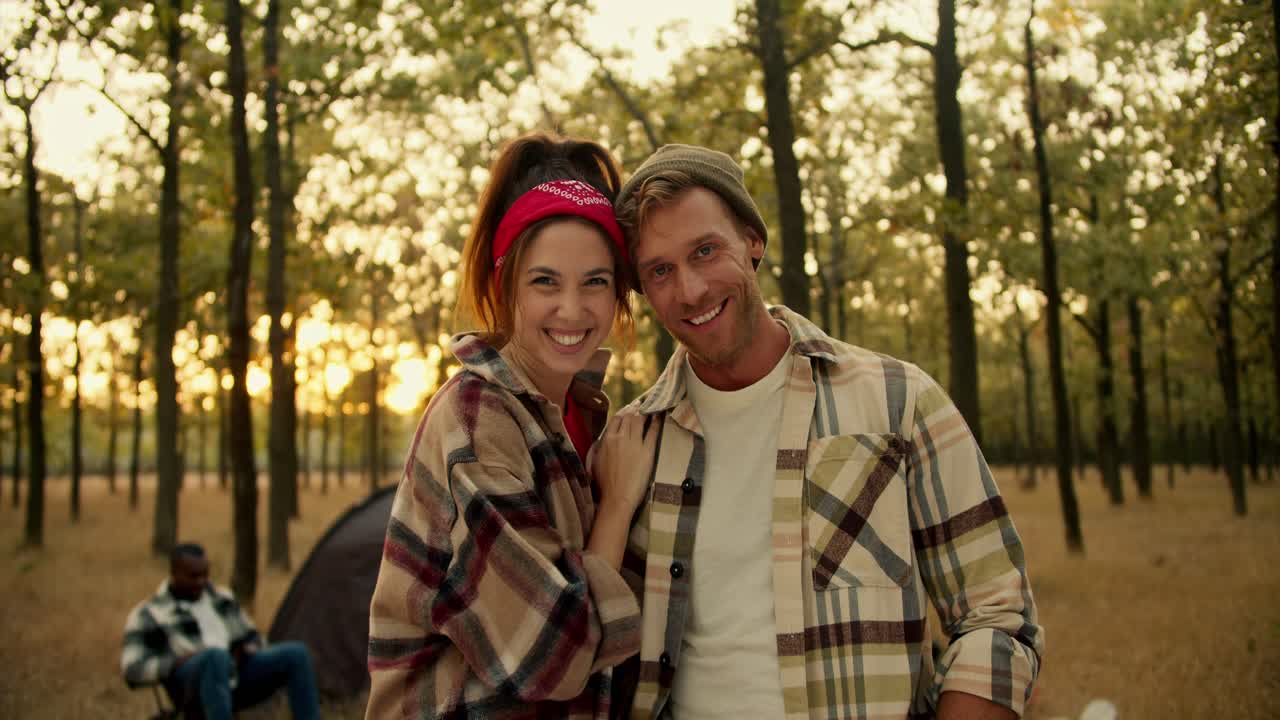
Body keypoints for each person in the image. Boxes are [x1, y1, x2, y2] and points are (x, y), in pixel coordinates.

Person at [598, 144, 1045, 720]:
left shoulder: (898, 401)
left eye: (706, 251)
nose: (690, 290)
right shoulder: (632, 445)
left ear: (752, 242)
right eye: (660, 271)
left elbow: (995, 616)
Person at [365, 133, 655, 719]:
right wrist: (618, 506)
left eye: (595, 281)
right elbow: (555, 656)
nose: (572, 310)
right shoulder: (479, 420)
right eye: (545, 282)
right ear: (504, 285)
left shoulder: (576, 412)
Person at [120, 543, 320, 720]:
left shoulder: (221, 598)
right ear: (174, 573)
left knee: (297, 654)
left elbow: (254, 637)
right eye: (193, 576)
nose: (201, 581)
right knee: (215, 657)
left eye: (205, 574)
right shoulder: (150, 613)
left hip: (236, 675)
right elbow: (132, 669)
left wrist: (249, 648)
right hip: (192, 687)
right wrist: (174, 663)